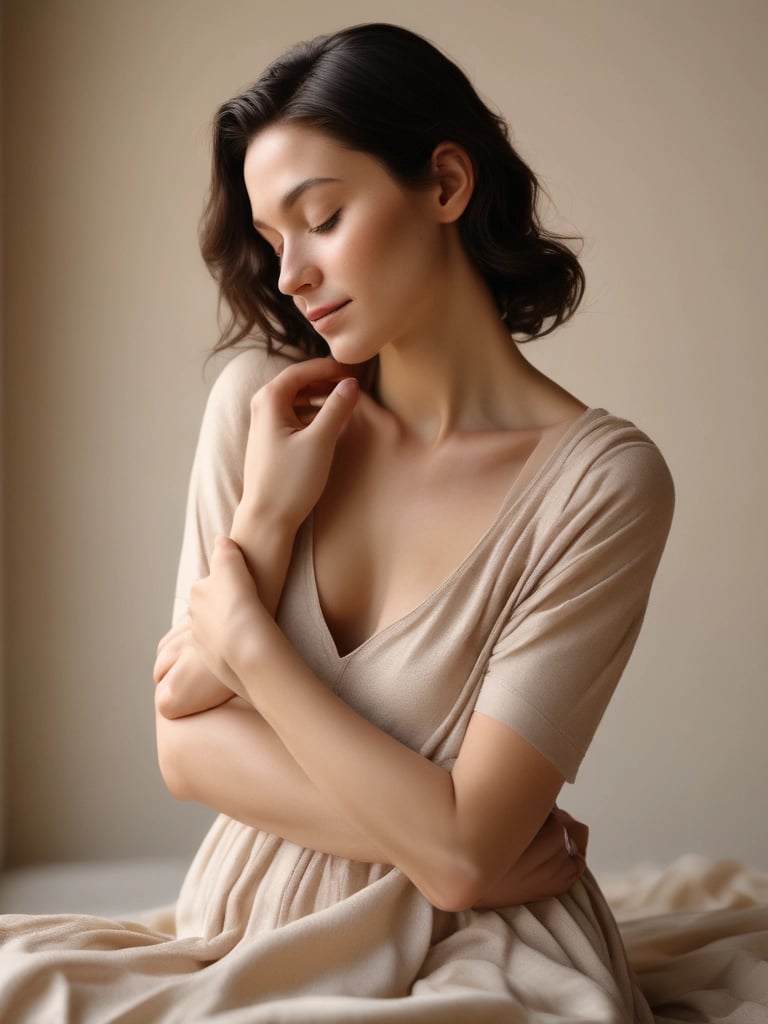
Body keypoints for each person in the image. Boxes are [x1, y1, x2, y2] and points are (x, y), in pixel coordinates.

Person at [0, 22, 673, 1022]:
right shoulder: (260, 411)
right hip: (242, 924)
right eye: (272, 242)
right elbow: (184, 747)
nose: (290, 276)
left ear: (446, 185)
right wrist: (270, 514)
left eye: (321, 218)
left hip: (487, 953)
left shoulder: (604, 484)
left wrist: (250, 649)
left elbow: (458, 859)